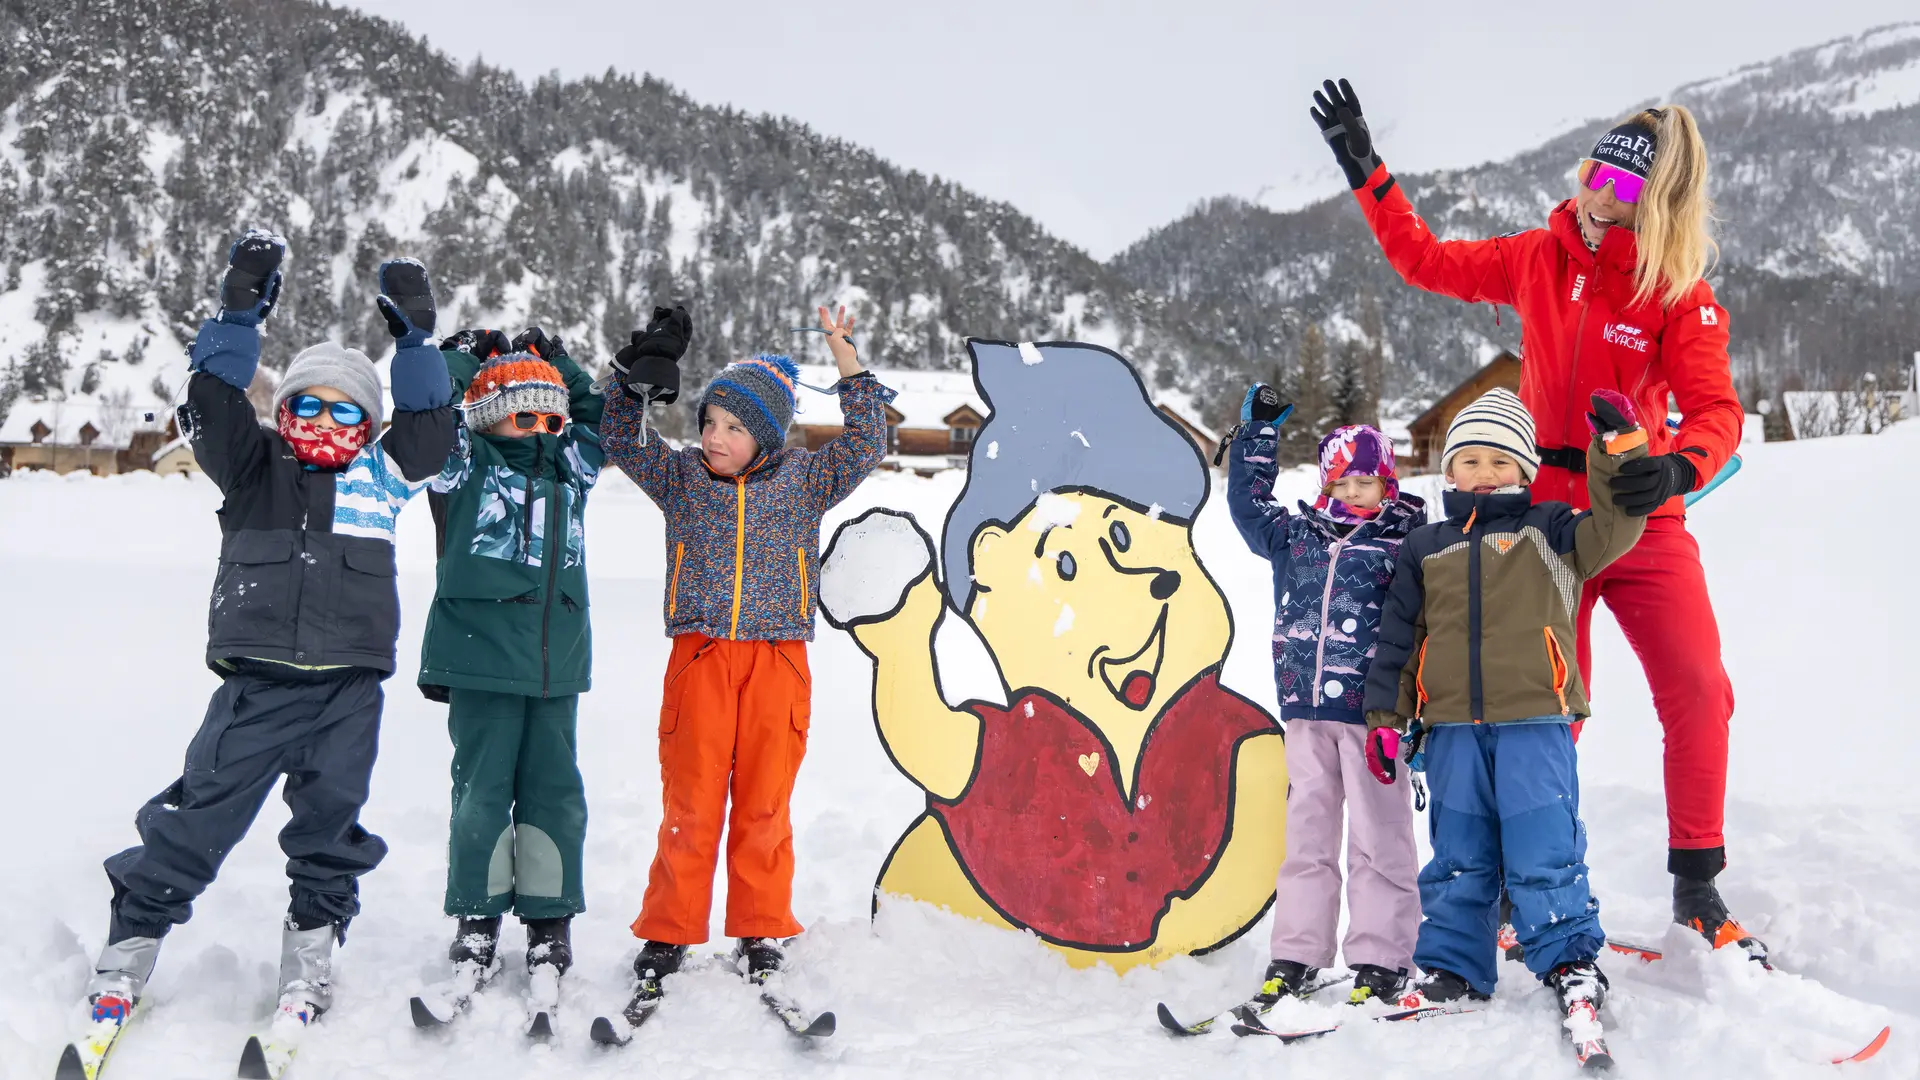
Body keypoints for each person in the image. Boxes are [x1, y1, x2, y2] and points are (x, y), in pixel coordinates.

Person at [1311, 78, 1758, 956]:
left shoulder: (1677, 293)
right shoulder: (1535, 258)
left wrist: (1675, 465)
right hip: (1543, 523)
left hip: (1639, 513)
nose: (1598, 200)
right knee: (1542, 707)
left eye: (1624, 191)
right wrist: (1367, 170)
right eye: (1594, 174)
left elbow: (1717, 412)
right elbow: (1425, 260)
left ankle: (1697, 882)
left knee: (1700, 689)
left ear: (1657, 204)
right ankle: (1522, 884)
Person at [74, 232, 454, 1058]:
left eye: (343, 408)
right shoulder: (254, 472)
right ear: (283, 417)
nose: (322, 420)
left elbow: (431, 433)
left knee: (329, 829)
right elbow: (210, 400)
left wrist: (418, 342)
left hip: (347, 696)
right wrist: (237, 312)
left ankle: (311, 959)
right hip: (255, 691)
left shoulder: (381, 478)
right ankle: (128, 952)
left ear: (367, 423)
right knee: (194, 821)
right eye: (306, 406)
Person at [600, 304, 892, 1029]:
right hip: (699, 658)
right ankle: (668, 934)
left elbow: (867, 442)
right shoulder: (681, 481)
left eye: (733, 427)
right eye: (708, 422)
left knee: (765, 804)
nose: (714, 438)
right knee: (691, 805)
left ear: (765, 435)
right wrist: (633, 383)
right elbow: (618, 438)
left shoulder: (804, 481)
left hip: (777, 661)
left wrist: (845, 357)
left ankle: (760, 929)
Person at [1362, 388, 1647, 1064]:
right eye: (1470, 460)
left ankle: (1570, 961)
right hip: (1453, 727)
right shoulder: (1425, 547)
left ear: (1524, 469)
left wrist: (1620, 450)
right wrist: (1386, 717)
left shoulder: (1552, 529)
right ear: (1448, 471)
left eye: (1500, 460)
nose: (1485, 473)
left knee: (1544, 845)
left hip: (1535, 720)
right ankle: (1453, 966)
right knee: (1458, 852)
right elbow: (1400, 637)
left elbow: (1617, 526)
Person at [410, 326, 606, 1026]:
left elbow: (597, 416)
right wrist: (467, 357)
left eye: (551, 418)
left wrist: (560, 368)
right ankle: (476, 917)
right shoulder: (464, 468)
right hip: (483, 657)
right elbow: (430, 404)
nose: (544, 429)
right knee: (482, 795)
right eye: (525, 415)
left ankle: (550, 923)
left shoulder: (571, 470)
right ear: (490, 417)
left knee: (556, 795)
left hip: (557, 663)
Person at [1225, 385, 1426, 1007]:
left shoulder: (1406, 544)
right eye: (1338, 483)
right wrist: (1257, 437)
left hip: (1373, 718)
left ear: (1386, 482)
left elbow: (1427, 627)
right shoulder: (1299, 537)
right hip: (1306, 713)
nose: (1350, 494)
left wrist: (1416, 711)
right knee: (1307, 836)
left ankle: (1382, 957)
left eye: (1362, 482)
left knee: (1378, 835)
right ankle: (1298, 954)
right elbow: (1249, 506)